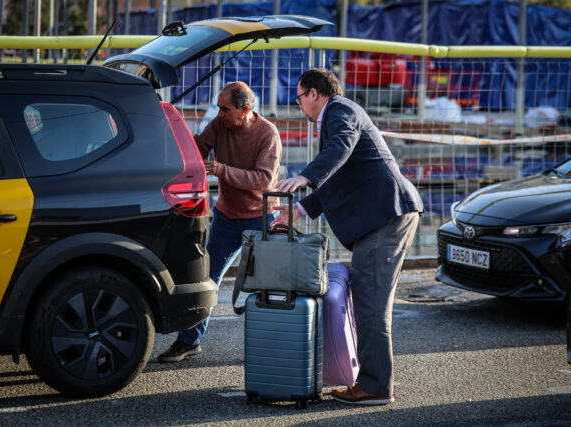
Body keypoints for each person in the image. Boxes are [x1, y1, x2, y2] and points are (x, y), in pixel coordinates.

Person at [271, 69, 423, 405]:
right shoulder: (340, 114)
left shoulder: (340, 111)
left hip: (386, 216)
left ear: (313, 94)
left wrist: (305, 177)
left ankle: (375, 387)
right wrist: (299, 210)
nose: (300, 105)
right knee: (369, 302)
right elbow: (338, 177)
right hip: (385, 215)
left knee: (370, 305)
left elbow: (339, 146)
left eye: (299, 98)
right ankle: (372, 382)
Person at [158, 81, 282, 363]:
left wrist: (222, 170)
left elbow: (264, 180)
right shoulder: (220, 124)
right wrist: (174, 135)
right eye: (218, 107)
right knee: (206, 279)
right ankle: (188, 341)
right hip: (227, 217)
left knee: (269, 284)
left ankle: (275, 347)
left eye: (224, 109)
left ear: (245, 110)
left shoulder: (268, 134)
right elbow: (198, 149)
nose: (219, 113)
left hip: (260, 218)